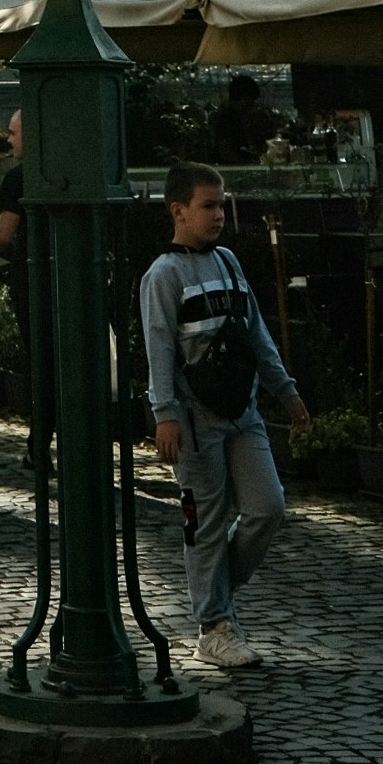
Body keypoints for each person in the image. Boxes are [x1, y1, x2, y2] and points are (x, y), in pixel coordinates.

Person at [141, 160, 309, 671]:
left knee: (267, 507)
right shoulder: (163, 275)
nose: (218, 214)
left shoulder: (229, 263)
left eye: (222, 204)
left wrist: (286, 391)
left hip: (244, 413)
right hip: (195, 422)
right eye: (208, 205)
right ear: (179, 211)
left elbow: (255, 333)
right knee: (206, 523)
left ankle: (214, 593)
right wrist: (165, 414)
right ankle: (214, 625)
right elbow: (158, 348)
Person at [0, 108, 35, 465]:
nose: (9, 139)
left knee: (38, 358)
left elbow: (3, 234)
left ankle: (38, 443)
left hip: (30, 275)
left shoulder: (18, 178)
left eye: (14, 133)